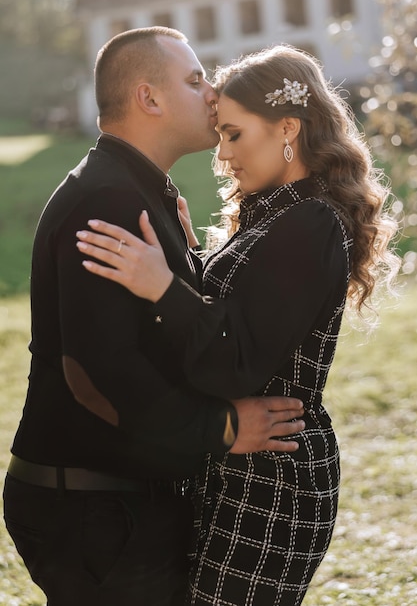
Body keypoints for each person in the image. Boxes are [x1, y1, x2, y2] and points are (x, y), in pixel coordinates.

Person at [75, 44, 400, 605]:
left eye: (233, 134)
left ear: (287, 129)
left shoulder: (311, 222)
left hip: (274, 478)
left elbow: (236, 362)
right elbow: (243, 312)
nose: (223, 157)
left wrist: (162, 285)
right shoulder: (278, 212)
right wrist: (191, 259)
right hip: (240, 466)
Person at [2, 28, 306, 606]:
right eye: (195, 80)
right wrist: (220, 429)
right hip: (96, 509)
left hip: (115, 500)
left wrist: (188, 261)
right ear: (149, 99)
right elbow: (95, 371)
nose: (213, 93)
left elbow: (154, 331)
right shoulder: (107, 202)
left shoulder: (138, 192)